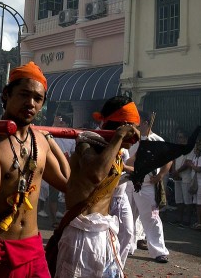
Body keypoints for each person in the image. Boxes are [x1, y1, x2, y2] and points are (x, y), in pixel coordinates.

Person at [0, 61, 68, 277]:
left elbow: (67, 183)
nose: (30, 103)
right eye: (23, 95)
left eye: (38, 99)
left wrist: (51, 141)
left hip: (33, 251)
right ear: (6, 95)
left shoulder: (40, 141)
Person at [52, 96, 140, 277]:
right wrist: (119, 137)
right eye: (132, 126)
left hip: (104, 233)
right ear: (122, 125)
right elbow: (96, 174)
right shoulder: (87, 142)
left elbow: (114, 169)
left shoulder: (115, 150)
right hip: (81, 235)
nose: (136, 132)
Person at [125, 115, 170, 263]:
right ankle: (127, 247)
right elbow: (126, 160)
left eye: (136, 124)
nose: (134, 127)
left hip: (147, 184)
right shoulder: (130, 140)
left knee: (153, 217)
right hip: (128, 182)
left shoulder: (157, 140)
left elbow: (168, 160)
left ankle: (159, 251)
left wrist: (160, 176)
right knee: (127, 217)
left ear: (145, 123)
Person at [171, 130, 195, 227]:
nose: (179, 139)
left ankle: (187, 220)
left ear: (185, 138)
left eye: (181, 137)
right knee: (179, 199)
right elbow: (173, 161)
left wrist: (177, 171)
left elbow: (188, 163)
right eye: (178, 137)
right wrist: (174, 172)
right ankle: (179, 219)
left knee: (187, 200)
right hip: (177, 176)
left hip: (186, 176)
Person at [186, 142, 201, 231]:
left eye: (196, 149)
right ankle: (199, 222)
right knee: (197, 204)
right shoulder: (196, 158)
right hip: (196, 184)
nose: (195, 150)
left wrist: (191, 165)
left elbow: (199, 169)